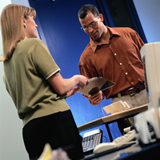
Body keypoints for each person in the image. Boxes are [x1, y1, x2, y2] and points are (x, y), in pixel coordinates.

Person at [0, 4, 90, 160]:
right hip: (55, 123)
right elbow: (61, 87)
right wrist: (76, 78)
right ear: (23, 20)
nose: (35, 24)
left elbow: (34, 95)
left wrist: (63, 94)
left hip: (30, 130)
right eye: (33, 19)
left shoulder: (6, 62)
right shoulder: (33, 44)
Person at [77, 4, 149, 134]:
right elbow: (92, 92)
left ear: (100, 17)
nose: (90, 30)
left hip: (147, 95)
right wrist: (96, 96)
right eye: (85, 27)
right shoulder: (86, 58)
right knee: (136, 146)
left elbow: (148, 61)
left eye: (92, 24)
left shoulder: (129, 34)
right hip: (121, 105)